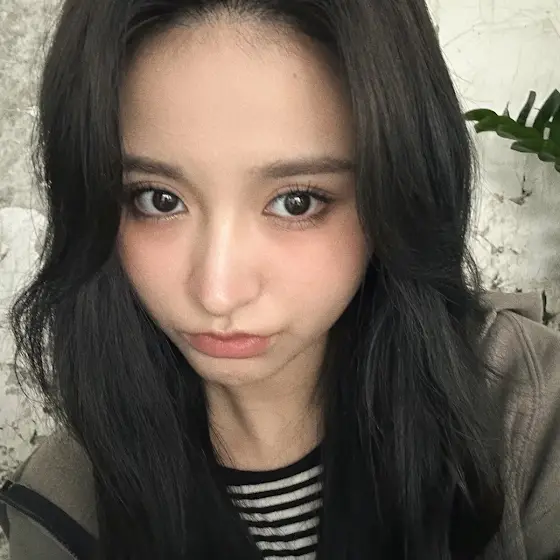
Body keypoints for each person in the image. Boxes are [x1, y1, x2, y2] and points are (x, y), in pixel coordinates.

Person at [0, 0, 559, 558]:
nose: (218, 292)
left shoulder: (531, 418)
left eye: (296, 202)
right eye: (158, 199)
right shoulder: (63, 505)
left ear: (397, 191)